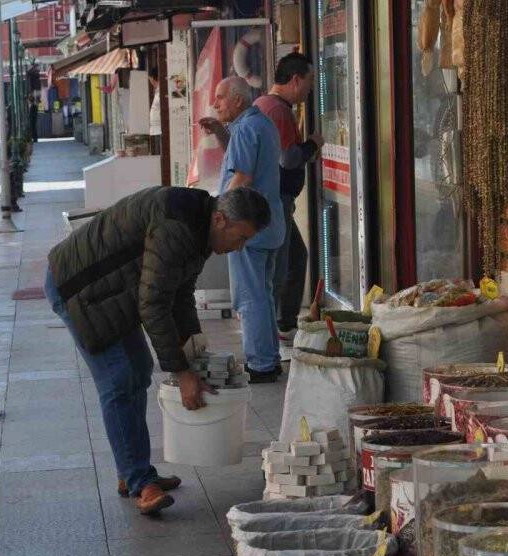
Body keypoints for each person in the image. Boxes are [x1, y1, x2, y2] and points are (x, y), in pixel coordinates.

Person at [45, 186, 271, 515]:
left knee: (138, 368)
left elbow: (179, 291)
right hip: (80, 289)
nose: (240, 247)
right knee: (120, 381)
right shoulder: (179, 228)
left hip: (112, 291)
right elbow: (153, 304)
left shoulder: (201, 224)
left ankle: (130, 470)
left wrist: (193, 344)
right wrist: (182, 373)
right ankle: (140, 481)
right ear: (221, 219)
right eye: (241, 237)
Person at [199, 76, 285, 383]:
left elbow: (242, 177)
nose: (216, 102)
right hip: (268, 225)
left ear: (238, 100)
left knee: (250, 297)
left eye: (221, 97)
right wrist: (221, 132)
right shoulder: (260, 124)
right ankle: (270, 358)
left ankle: (260, 364)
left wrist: (217, 213)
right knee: (263, 294)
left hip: (247, 228)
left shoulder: (247, 128)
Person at [254, 53, 323, 337]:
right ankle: (277, 327)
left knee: (295, 258)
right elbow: (288, 158)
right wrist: (312, 145)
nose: (310, 89)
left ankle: (285, 322)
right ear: (295, 80)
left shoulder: (264, 105)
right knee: (281, 268)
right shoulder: (278, 110)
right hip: (278, 201)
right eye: (308, 81)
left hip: (276, 201)